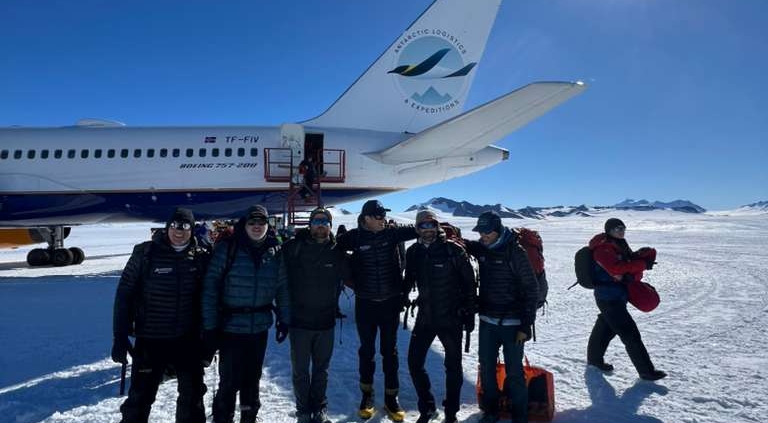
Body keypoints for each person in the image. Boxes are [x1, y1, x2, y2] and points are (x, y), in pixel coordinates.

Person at [111, 207, 209, 423]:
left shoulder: (201, 257)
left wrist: (209, 337)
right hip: (151, 339)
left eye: (184, 226)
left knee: (192, 398)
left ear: (192, 230)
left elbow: (209, 298)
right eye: (174, 225)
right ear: (167, 227)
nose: (178, 231)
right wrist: (119, 335)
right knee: (140, 398)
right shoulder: (145, 254)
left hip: (187, 338)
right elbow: (124, 295)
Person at [201, 205, 290, 423]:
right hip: (230, 327)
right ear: (245, 224)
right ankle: (223, 417)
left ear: (268, 226)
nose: (257, 227)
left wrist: (284, 319)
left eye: (261, 223)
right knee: (229, 380)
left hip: (258, 328)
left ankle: (249, 417)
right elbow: (210, 287)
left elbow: (282, 287)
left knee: (252, 379)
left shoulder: (274, 251)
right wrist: (210, 326)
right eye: (252, 222)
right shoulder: (228, 249)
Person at [335, 199, 418, 422]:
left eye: (384, 216)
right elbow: (334, 250)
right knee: (367, 351)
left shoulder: (391, 234)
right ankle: (367, 395)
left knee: (389, 352)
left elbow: (417, 230)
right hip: (366, 304)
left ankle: (392, 398)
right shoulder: (353, 237)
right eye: (379, 216)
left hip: (390, 303)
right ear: (367, 218)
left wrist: (433, 226)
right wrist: (350, 278)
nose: (383, 220)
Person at [464, 211, 539, 423]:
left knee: (514, 373)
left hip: (513, 324)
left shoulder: (515, 252)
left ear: (497, 231)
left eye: (486, 232)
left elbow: (531, 289)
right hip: (488, 321)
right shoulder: (483, 248)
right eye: (480, 232)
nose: (482, 236)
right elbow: (469, 245)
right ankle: (491, 411)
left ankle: (520, 416)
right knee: (486, 368)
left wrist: (526, 325)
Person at [405, 210, 477, 423]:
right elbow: (409, 279)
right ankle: (427, 407)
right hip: (425, 318)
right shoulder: (414, 252)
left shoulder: (453, 250)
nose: (428, 229)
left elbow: (469, 284)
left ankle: (451, 412)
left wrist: (469, 313)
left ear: (437, 227)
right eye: (423, 226)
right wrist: (400, 297)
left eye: (432, 225)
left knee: (453, 367)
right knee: (414, 363)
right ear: (418, 228)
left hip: (451, 319)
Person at [283, 207, 348, 423]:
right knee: (300, 371)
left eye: (325, 221)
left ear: (330, 225)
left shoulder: (337, 251)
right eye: (316, 221)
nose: (320, 225)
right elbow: (277, 277)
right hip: (300, 323)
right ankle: (303, 410)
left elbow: (354, 276)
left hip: (325, 323)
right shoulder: (294, 248)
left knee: (322, 370)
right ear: (310, 224)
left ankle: (319, 407)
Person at [586, 218, 666, 381]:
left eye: (623, 228)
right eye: (617, 229)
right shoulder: (603, 249)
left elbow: (626, 264)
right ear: (608, 230)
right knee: (630, 334)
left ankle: (594, 359)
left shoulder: (619, 245)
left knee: (605, 327)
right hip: (608, 297)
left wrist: (640, 257)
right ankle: (646, 371)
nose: (621, 231)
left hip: (618, 295)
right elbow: (615, 268)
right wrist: (642, 264)